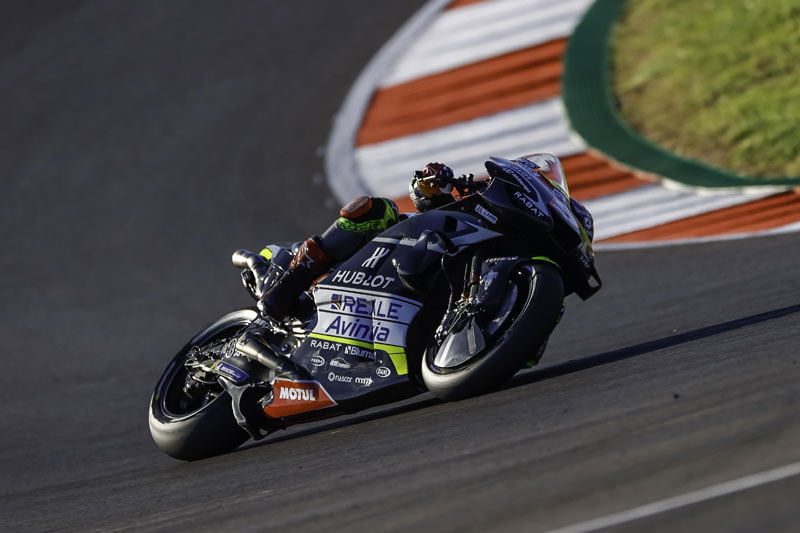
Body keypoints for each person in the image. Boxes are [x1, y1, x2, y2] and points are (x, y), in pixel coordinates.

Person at [258, 162, 458, 320]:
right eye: (430, 187)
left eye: (442, 190)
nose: (436, 195)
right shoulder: (409, 220)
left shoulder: (461, 232)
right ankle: (284, 290)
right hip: (353, 273)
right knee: (381, 209)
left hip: (401, 301)